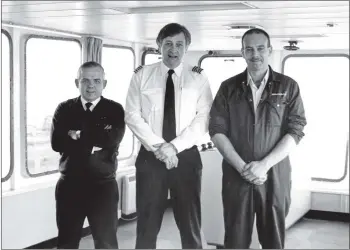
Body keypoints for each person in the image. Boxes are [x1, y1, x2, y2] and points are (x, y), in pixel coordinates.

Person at [209, 28, 307, 249]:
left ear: (270, 50)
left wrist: (264, 166)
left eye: (260, 48)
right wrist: (244, 168)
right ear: (242, 52)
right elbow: (216, 130)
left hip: (274, 176)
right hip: (236, 175)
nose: (255, 54)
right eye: (249, 49)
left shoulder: (288, 86)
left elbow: (296, 129)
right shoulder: (228, 88)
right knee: (235, 240)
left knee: (273, 241)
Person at [125, 23, 213, 249]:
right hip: (150, 159)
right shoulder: (142, 76)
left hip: (186, 158)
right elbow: (133, 116)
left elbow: (204, 118)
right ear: (159, 46)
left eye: (179, 44)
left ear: (187, 47)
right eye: (168, 44)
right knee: (147, 223)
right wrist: (160, 147)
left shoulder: (198, 78)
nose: (173, 50)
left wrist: (173, 147)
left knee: (190, 223)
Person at [51, 61, 125, 249]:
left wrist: (77, 135)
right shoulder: (64, 109)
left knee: (106, 242)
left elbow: (111, 140)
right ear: (77, 82)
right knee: (67, 241)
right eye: (85, 80)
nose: (91, 85)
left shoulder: (114, 110)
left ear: (104, 84)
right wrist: (93, 142)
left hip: (103, 187)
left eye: (96, 80)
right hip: (69, 186)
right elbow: (56, 143)